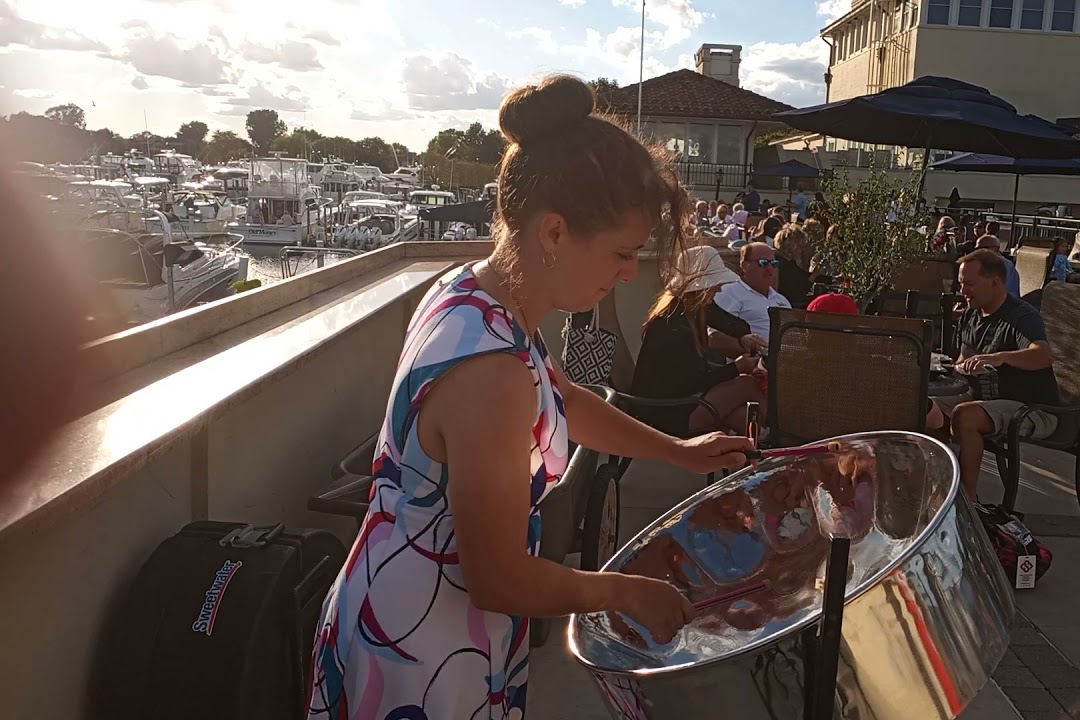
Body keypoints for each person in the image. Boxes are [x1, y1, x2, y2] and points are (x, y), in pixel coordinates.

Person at [307, 75, 754, 720]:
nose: (630, 272)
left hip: (420, 612)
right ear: (554, 234)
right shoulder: (491, 372)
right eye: (622, 252)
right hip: (422, 649)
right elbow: (497, 577)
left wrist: (678, 451)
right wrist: (624, 593)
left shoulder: (476, 295)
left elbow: (565, 398)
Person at [926, 250, 1059, 498]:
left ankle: (967, 501)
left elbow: (1043, 355)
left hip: (1031, 407)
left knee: (964, 415)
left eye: (970, 284)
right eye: (961, 284)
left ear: (995, 282)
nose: (963, 290)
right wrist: (950, 367)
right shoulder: (970, 315)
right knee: (920, 409)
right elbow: (962, 361)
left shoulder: (1022, 316)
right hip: (980, 398)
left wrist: (1001, 357)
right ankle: (936, 487)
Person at [631, 245, 769, 435]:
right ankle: (781, 434)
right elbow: (692, 382)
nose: (720, 288)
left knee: (739, 415)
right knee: (747, 384)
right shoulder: (671, 325)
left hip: (674, 405)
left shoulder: (687, 311)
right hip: (666, 412)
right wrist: (736, 368)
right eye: (715, 284)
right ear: (701, 287)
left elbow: (726, 320)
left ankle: (765, 440)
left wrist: (743, 337)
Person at [715, 242, 793, 340]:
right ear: (745, 266)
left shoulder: (782, 300)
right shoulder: (729, 293)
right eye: (763, 263)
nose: (769, 268)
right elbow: (718, 335)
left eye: (774, 263)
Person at [774, 223, 814, 307]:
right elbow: (797, 291)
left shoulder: (790, 263)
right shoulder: (782, 265)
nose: (801, 250)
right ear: (791, 246)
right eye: (800, 247)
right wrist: (814, 276)